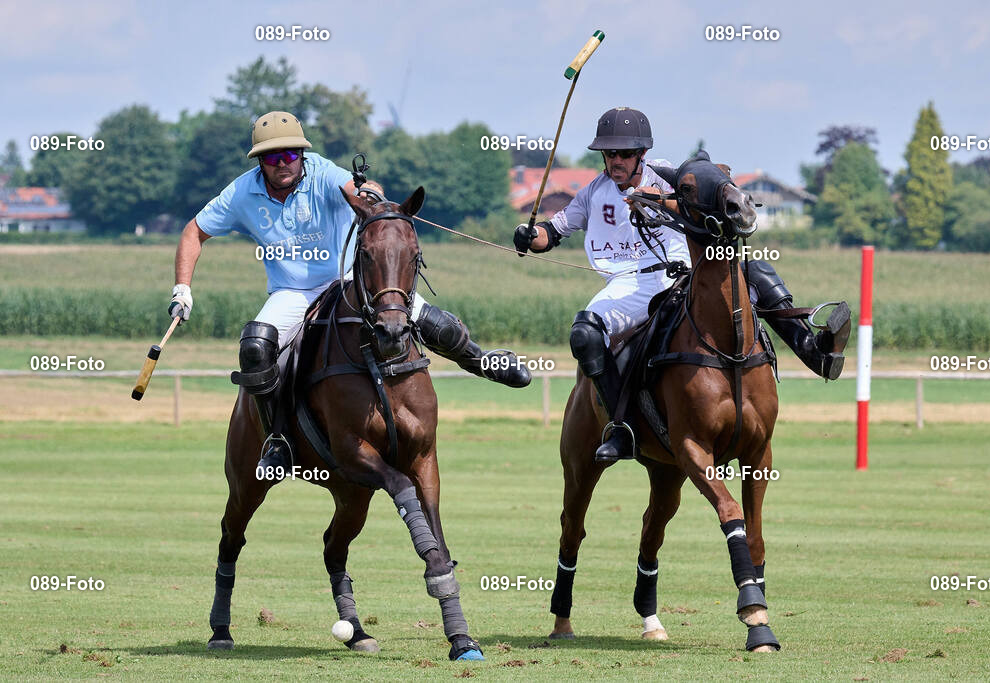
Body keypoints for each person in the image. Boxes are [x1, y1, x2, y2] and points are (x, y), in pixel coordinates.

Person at [169, 111, 531, 480]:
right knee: (256, 348)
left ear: (302, 155)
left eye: (290, 155)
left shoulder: (322, 171)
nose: (283, 164)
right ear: (260, 160)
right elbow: (193, 232)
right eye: (273, 157)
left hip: (349, 283)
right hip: (293, 292)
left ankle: (484, 361)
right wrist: (183, 288)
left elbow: (356, 188)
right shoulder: (241, 194)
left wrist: (370, 193)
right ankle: (277, 440)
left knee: (433, 322)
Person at [513, 107, 849, 463]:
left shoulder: (666, 175)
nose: (616, 160)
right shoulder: (592, 193)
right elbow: (553, 231)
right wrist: (529, 234)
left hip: (687, 274)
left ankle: (814, 349)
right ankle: (621, 428)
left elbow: (704, 199)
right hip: (627, 288)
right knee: (584, 334)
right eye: (610, 153)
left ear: (641, 153)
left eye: (625, 153)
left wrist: (657, 200)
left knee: (757, 271)